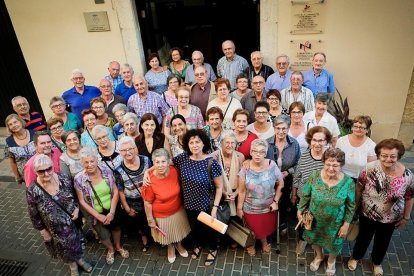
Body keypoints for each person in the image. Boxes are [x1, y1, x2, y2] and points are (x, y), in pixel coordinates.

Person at [347, 139, 413, 276]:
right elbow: (359, 188)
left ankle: (377, 262)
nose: (388, 159)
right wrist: (355, 208)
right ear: (379, 155)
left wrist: (406, 217)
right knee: (363, 237)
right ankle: (356, 257)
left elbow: (409, 197)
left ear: (399, 156)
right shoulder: (369, 168)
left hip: (390, 217)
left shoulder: (407, 175)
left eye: (392, 156)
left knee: (383, 241)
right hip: (367, 212)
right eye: (384, 155)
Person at [26, 154, 92, 276]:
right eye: (41, 171)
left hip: (73, 222)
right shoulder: (32, 190)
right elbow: (33, 213)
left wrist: (77, 209)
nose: (46, 173)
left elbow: (76, 196)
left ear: (53, 167)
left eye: (48, 169)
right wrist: (43, 231)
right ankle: (73, 267)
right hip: (55, 229)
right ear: (35, 171)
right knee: (65, 248)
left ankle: (81, 260)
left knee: (77, 243)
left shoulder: (64, 178)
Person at [297, 148, 355, 276]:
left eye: (335, 165)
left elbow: (351, 206)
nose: (330, 168)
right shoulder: (314, 175)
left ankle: (331, 260)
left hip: (336, 223)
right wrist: (300, 210)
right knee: (314, 239)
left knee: (335, 244)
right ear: (323, 162)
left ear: (341, 165)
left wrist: (346, 225)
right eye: (328, 164)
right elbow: (306, 195)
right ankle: (319, 256)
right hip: (314, 219)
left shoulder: (348, 182)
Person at [171, 129, 223, 266]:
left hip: (206, 204)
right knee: (195, 227)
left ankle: (212, 249)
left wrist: (215, 208)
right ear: (187, 145)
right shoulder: (182, 159)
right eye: (191, 142)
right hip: (188, 203)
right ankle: (199, 244)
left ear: (203, 143)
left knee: (209, 229)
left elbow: (219, 187)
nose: (194, 145)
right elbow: (165, 163)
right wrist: (148, 171)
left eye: (197, 142)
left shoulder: (211, 163)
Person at [74, 146, 129, 265]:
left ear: (96, 160)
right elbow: (82, 201)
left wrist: (112, 212)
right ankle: (110, 249)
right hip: (95, 213)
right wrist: (98, 216)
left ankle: (118, 246)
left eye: (92, 161)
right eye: (86, 162)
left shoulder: (106, 170)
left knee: (116, 227)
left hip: (112, 208)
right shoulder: (79, 179)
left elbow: (115, 191)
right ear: (82, 163)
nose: (89, 164)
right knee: (103, 234)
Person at [142, 148, 191, 263]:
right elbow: (147, 203)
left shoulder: (174, 171)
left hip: (178, 209)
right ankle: (170, 247)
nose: (160, 165)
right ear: (153, 163)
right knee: (168, 236)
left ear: (168, 161)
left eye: (163, 161)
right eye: (157, 162)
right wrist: (150, 219)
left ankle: (178, 244)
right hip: (161, 215)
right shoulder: (149, 180)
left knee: (177, 232)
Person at [237, 139, 284, 256]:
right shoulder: (245, 169)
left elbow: (281, 184)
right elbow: (242, 191)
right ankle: (251, 244)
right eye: (255, 151)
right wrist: (239, 208)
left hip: (268, 207)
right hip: (250, 208)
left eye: (262, 152)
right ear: (251, 152)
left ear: (266, 153)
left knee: (263, 228)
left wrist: (276, 201)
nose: (258, 154)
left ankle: (264, 241)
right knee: (251, 229)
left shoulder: (272, 165)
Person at [291, 126, 332, 255]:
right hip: (303, 197)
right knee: (303, 221)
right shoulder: (304, 156)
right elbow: (297, 176)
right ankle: (302, 241)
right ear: (310, 141)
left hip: (321, 199)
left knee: (318, 223)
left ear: (326, 141)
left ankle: (316, 243)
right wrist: (293, 195)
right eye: (314, 140)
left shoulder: (330, 158)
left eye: (321, 140)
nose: (317, 144)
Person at [115, 136, 152, 252]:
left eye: (130, 148)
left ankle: (156, 237)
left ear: (135, 148)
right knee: (140, 222)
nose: (128, 152)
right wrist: (127, 208)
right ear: (120, 152)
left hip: (150, 198)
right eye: (124, 150)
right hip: (134, 203)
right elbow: (120, 190)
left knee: (152, 218)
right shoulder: (118, 170)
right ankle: (144, 238)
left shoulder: (146, 160)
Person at [266, 115, 300, 234]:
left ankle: (282, 222)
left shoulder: (294, 144)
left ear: (288, 128)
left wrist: (288, 172)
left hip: (287, 179)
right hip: (269, 179)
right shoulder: (266, 143)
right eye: (278, 128)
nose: (281, 131)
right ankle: (269, 224)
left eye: (284, 128)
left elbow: (298, 164)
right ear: (274, 128)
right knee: (269, 201)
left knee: (284, 201)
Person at [211, 131, 244, 237]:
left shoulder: (240, 157)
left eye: (232, 143)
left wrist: (236, 193)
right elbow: (211, 180)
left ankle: (233, 237)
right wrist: (224, 193)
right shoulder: (213, 157)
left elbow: (242, 179)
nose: (230, 145)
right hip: (219, 192)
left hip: (236, 192)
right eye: (227, 142)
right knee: (221, 217)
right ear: (221, 143)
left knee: (235, 219)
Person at [336, 115, 377, 180]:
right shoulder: (341, 141)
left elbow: (371, 168)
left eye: (361, 127)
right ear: (352, 127)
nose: (358, 129)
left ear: (367, 130)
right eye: (355, 126)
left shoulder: (371, 145)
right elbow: (335, 159)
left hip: (359, 179)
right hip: (340, 176)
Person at [4, 114, 36, 185]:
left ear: (21, 121)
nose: (14, 125)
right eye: (10, 124)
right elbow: (12, 162)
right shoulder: (9, 142)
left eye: (15, 122)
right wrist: (17, 177)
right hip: (26, 176)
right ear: (9, 127)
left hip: (42, 170)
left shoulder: (34, 133)